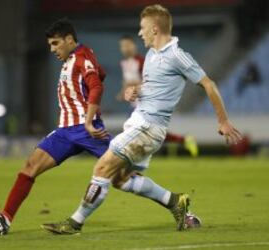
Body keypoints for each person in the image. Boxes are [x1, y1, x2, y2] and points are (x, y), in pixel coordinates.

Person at [42, 4, 242, 234]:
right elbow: (154, 86)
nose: (140, 33)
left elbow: (209, 84)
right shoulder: (151, 54)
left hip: (148, 127)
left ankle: (74, 222)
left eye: (143, 28)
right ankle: (175, 202)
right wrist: (135, 90)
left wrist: (223, 120)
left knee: (102, 167)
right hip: (140, 123)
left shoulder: (177, 55)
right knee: (119, 179)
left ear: (155, 29)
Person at [0, 18, 112, 235]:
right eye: (50, 45)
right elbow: (99, 74)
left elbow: (96, 85)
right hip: (65, 131)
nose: (52, 49)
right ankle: (4, 219)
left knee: (124, 176)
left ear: (69, 39)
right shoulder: (76, 59)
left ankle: (174, 203)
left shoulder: (81, 57)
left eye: (55, 43)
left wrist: (88, 119)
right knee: (30, 166)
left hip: (86, 130)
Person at [118, 35, 199, 157]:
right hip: (134, 103)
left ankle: (130, 160)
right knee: (142, 131)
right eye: (122, 46)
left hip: (146, 102)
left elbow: (150, 81)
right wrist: (123, 92)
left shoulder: (141, 61)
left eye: (127, 45)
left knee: (139, 132)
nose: (125, 48)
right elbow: (127, 82)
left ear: (134, 45)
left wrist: (133, 85)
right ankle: (184, 140)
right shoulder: (124, 63)